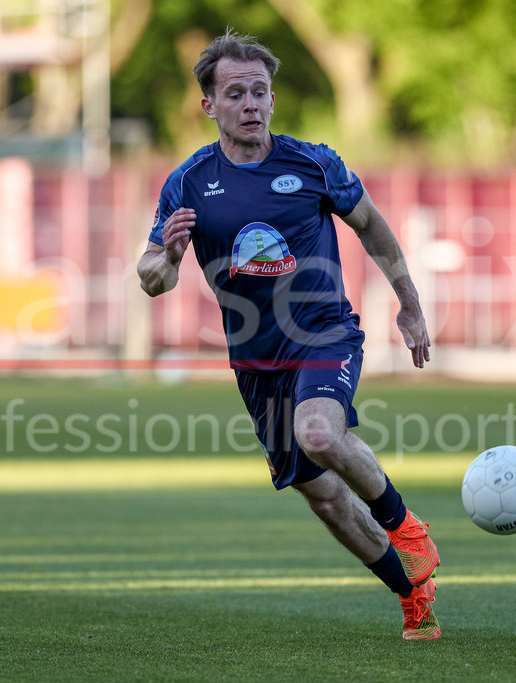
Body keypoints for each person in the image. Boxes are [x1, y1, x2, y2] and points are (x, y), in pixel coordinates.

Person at [137, 29, 440, 640]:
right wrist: (166, 256)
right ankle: (412, 595)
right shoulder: (188, 183)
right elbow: (150, 278)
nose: (250, 104)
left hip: (323, 332)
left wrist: (410, 305)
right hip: (256, 362)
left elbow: (374, 229)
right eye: (235, 94)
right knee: (322, 495)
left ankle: (407, 528)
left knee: (320, 431)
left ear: (273, 99)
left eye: (260, 92)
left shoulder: (312, 163)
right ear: (209, 106)